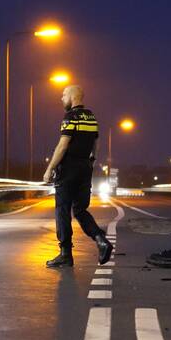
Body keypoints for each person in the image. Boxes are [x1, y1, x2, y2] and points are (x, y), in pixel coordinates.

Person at [41, 85, 114, 268]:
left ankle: (65, 254)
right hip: (84, 168)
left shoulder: (70, 117)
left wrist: (50, 168)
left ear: (73, 97)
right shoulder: (91, 117)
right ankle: (101, 240)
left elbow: (63, 146)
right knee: (80, 210)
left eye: (64, 94)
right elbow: (96, 142)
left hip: (68, 169)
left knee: (62, 210)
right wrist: (91, 161)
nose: (61, 98)